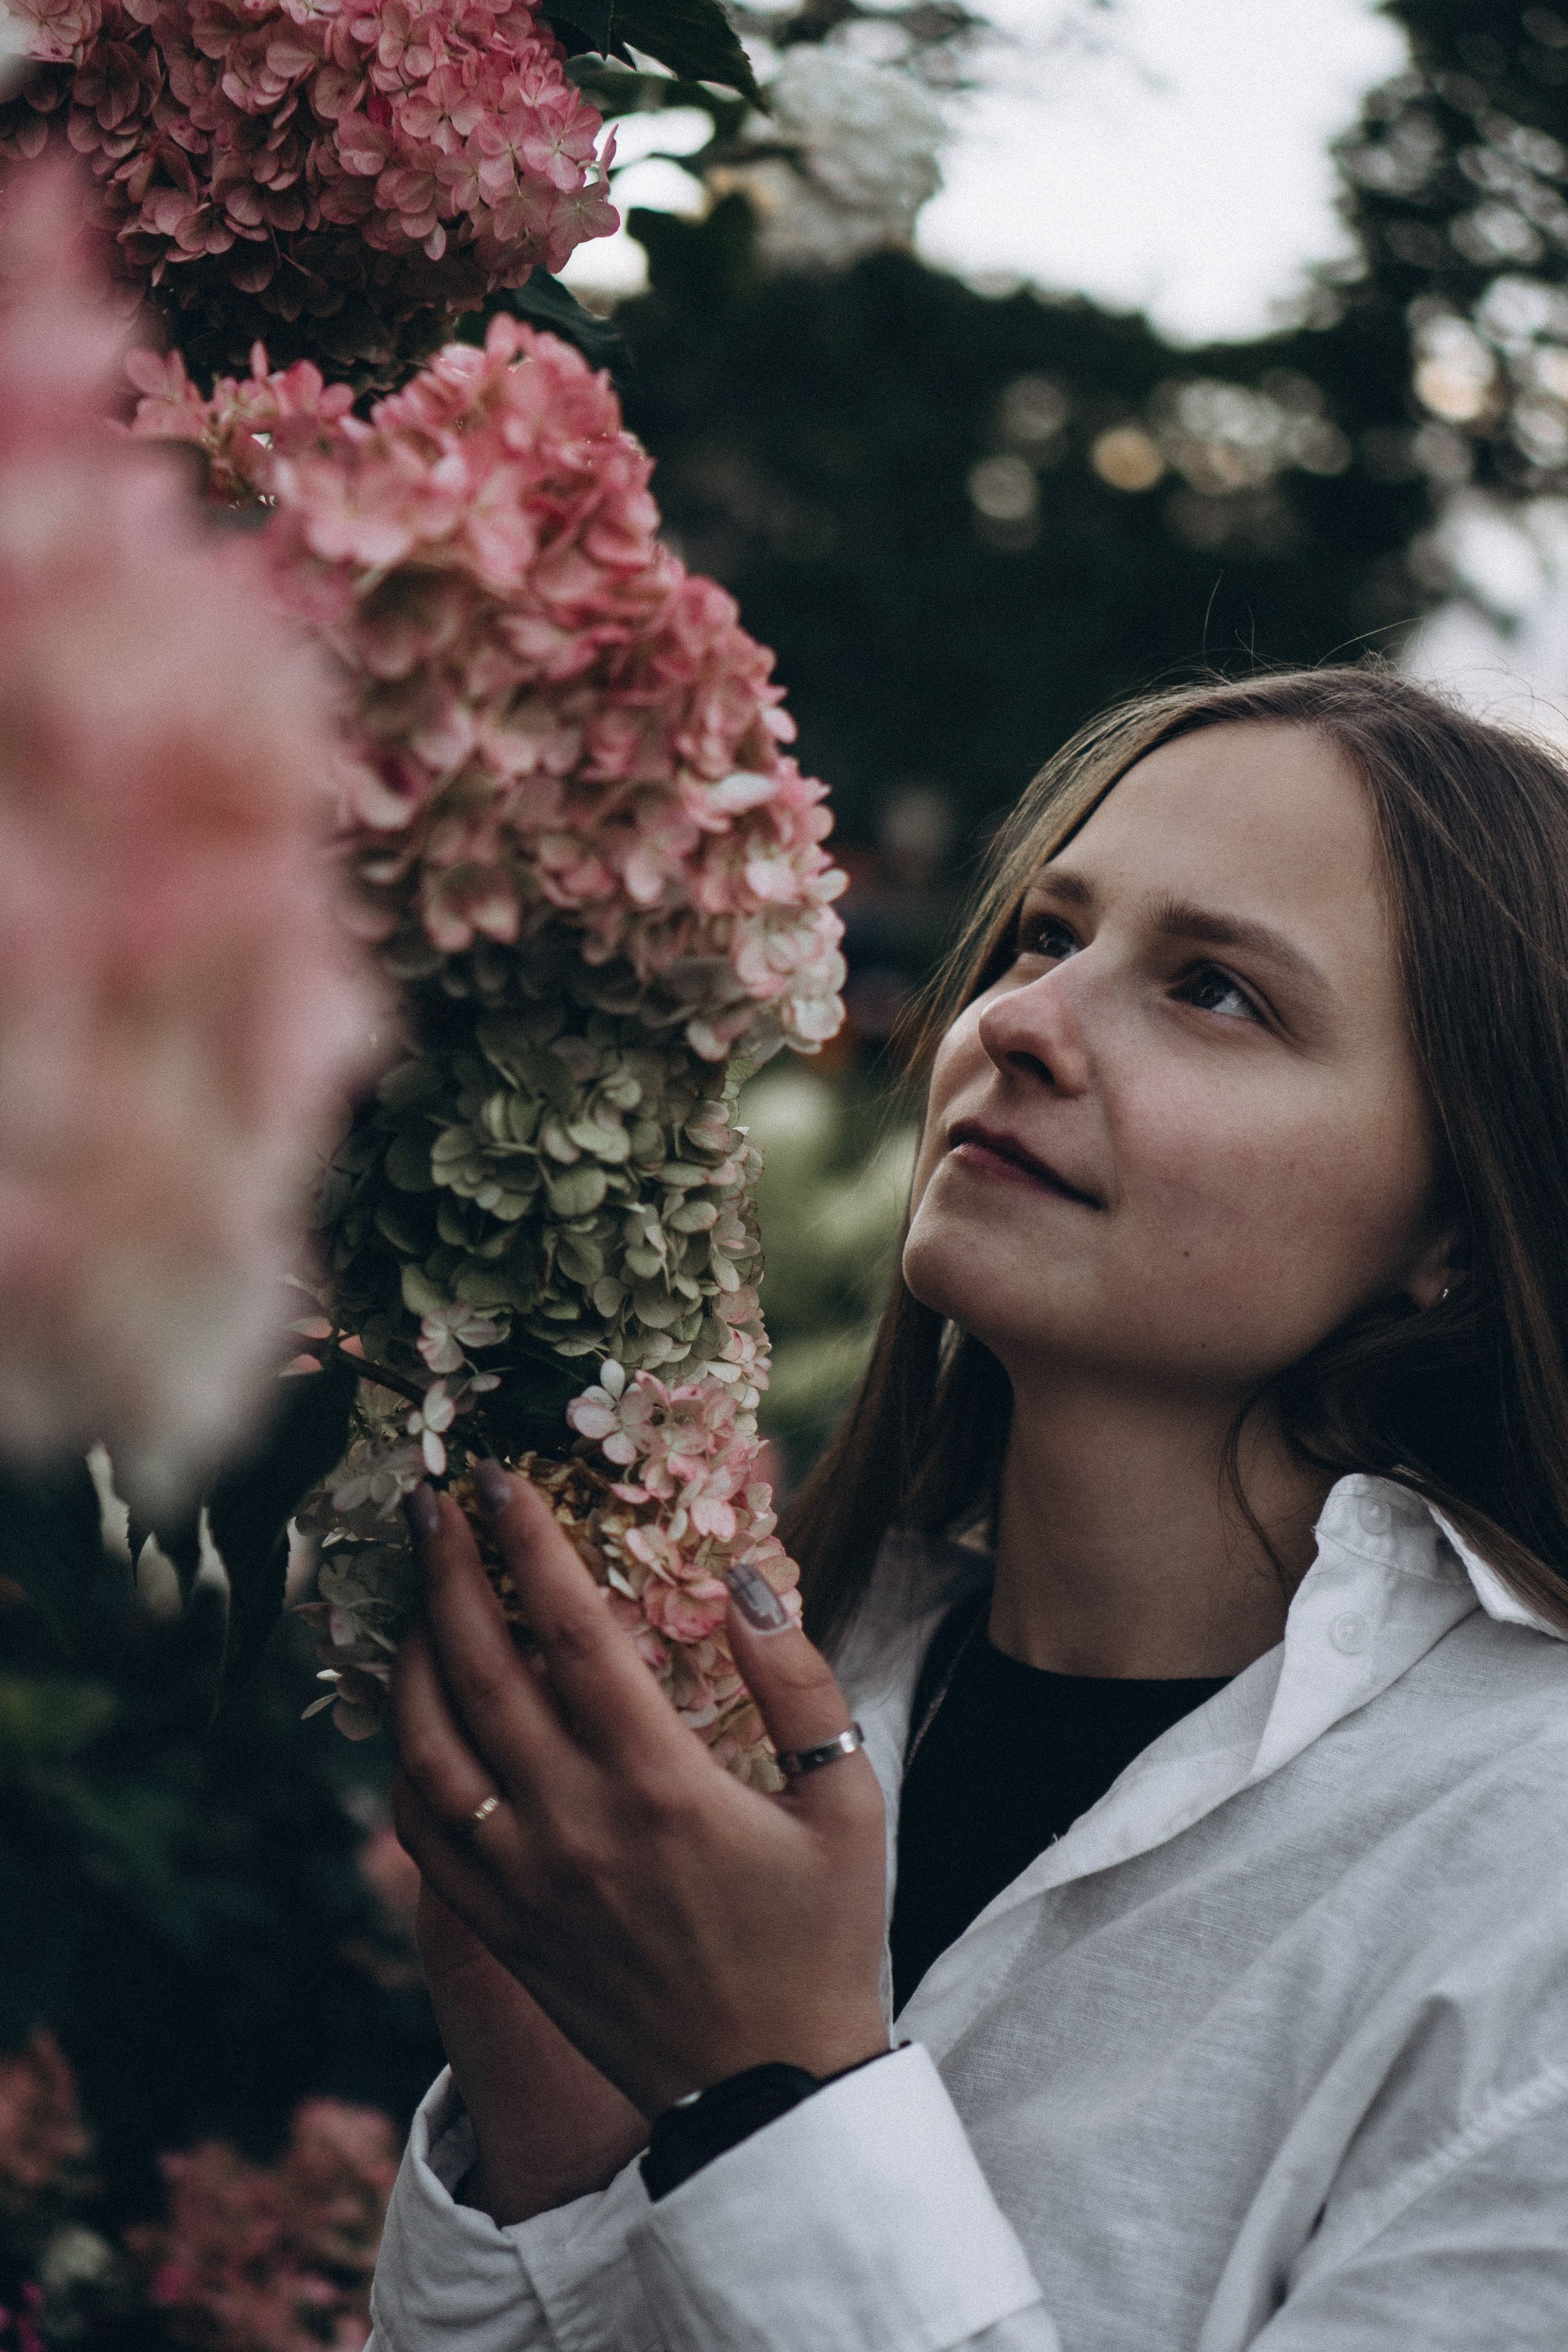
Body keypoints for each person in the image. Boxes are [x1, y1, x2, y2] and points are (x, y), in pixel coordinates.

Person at [371, 669, 1568, 2352]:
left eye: (1214, 990)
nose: (1024, 1021)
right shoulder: (781, 1669)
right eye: (1045, 934)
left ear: (1457, 1221)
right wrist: (553, 2130)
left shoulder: (1529, 1875)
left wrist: (775, 2086)